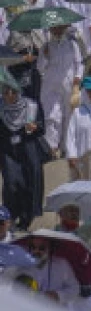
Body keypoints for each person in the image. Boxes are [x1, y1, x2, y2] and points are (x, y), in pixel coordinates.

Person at [0, 81, 46, 230]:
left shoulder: (31, 106)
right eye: (6, 93)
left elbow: (42, 128)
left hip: (28, 149)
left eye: (13, 92)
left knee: (29, 184)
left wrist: (35, 127)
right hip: (9, 152)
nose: (10, 96)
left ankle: (26, 219)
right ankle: (11, 218)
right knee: (11, 184)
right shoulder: (1, 109)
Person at [38, 23, 84, 157]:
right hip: (50, 86)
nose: (57, 31)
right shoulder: (46, 46)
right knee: (51, 116)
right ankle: (51, 148)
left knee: (69, 116)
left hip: (69, 85)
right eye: (54, 28)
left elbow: (79, 64)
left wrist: (77, 78)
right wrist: (45, 56)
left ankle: (67, 148)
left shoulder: (71, 45)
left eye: (59, 28)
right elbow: (40, 68)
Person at [17, 235, 82, 308]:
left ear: (51, 247)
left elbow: (75, 288)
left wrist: (58, 295)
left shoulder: (62, 265)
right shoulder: (23, 263)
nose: (36, 251)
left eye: (42, 248)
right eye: (33, 247)